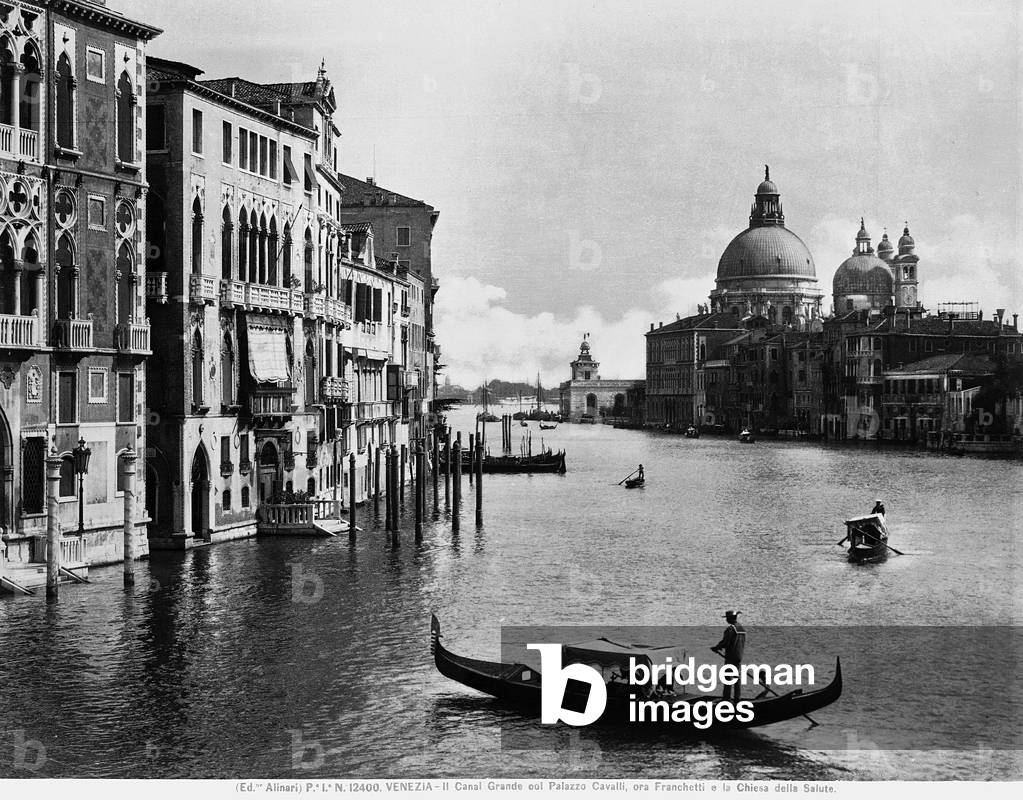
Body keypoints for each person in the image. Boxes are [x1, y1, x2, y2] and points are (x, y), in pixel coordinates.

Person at [711, 610, 746, 701]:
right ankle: (737, 698)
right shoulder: (741, 628)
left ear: (731, 618)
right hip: (739, 657)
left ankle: (726, 699)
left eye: (727, 618)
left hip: (730, 657)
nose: (726, 620)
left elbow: (726, 642)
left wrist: (717, 647)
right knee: (737, 678)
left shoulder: (731, 629)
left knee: (728, 678)